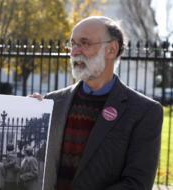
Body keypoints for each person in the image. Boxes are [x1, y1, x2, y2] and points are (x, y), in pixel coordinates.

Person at [29, 16, 163, 190]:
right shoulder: (52, 102)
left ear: (111, 50)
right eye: (73, 43)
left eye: (84, 43)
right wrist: (27, 116)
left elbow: (137, 184)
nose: (74, 51)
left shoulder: (145, 112)